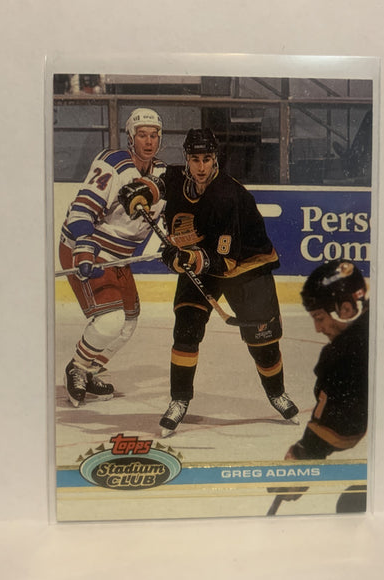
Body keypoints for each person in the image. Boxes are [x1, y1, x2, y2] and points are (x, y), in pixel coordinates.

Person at [119, 128, 299, 437]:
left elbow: (225, 260)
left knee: (264, 343)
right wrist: (140, 193)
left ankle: (276, 393)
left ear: (215, 159)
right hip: (202, 260)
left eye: (206, 159)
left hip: (247, 266)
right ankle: (179, 400)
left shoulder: (227, 196)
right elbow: (157, 184)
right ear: (186, 159)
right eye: (194, 159)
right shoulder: (177, 178)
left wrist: (185, 259)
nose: (200, 166)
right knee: (185, 329)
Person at [59, 108, 166, 407]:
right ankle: (76, 368)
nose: (149, 141)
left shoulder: (161, 173)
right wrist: (84, 246)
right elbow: (82, 209)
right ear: (131, 137)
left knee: (128, 323)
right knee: (110, 320)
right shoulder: (113, 163)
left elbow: (167, 221)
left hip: (118, 258)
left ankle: (89, 370)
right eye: (142, 135)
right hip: (88, 247)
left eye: (154, 135)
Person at [273, 259, 369, 509]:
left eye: (319, 317)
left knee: (352, 506)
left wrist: (304, 455)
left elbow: (343, 430)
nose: (317, 328)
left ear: (345, 309)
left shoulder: (342, 355)